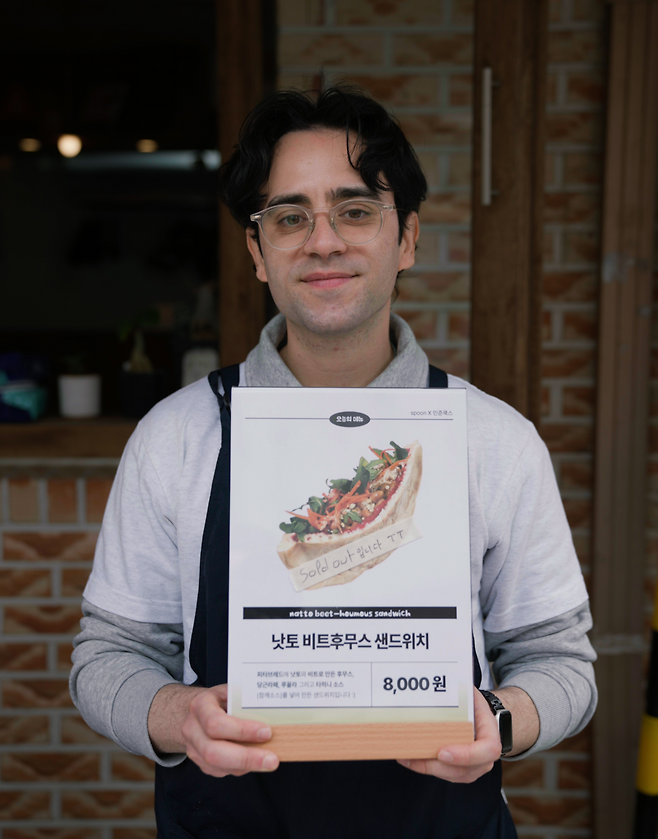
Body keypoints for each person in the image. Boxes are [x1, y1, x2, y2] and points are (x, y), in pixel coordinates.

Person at [70, 86, 597, 839]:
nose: (323, 241)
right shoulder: (177, 437)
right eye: (289, 217)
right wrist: (174, 714)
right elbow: (106, 658)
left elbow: (562, 661)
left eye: (355, 210)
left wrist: (501, 720)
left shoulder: (494, 439)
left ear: (406, 238)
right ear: (257, 251)